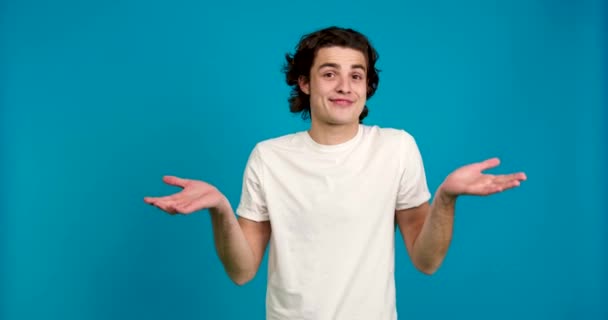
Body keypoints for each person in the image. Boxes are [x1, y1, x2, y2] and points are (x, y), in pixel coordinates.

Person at [144, 26, 527, 320]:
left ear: (366, 86)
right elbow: (242, 271)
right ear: (305, 82)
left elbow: (426, 261)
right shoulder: (269, 157)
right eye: (329, 74)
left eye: (356, 75)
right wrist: (220, 210)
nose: (345, 86)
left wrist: (445, 198)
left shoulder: (396, 148)